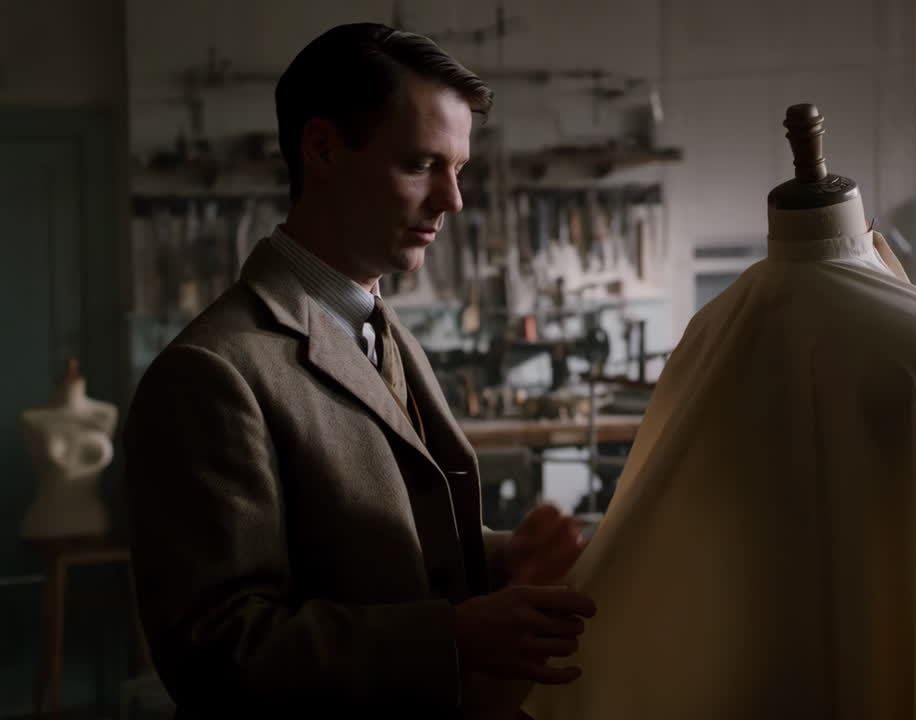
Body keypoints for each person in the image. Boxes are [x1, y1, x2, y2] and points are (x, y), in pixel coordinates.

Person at [124, 23, 595, 717]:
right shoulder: (211, 373)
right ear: (322, 149)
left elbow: (373, 546)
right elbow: (215, 652)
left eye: (458, 169)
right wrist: (453, 638)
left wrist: (499, 556)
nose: (453, 201)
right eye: (421, 165)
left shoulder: (380, 327)